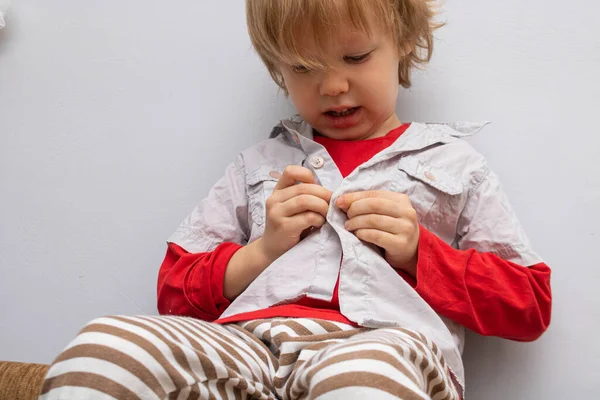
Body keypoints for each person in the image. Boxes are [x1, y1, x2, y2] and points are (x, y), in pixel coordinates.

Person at [39, 0, 552, 399]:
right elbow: (173, 290)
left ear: (404, 41)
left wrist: (423, 254)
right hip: (247, 345)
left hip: (380, 346)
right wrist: (260, 252)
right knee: (104, 345)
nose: (331, 85)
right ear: (276, 67)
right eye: (304, 67)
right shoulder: (258, 165)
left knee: (362, 377)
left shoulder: (456, 166)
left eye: (355, 57)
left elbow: (530, 304)